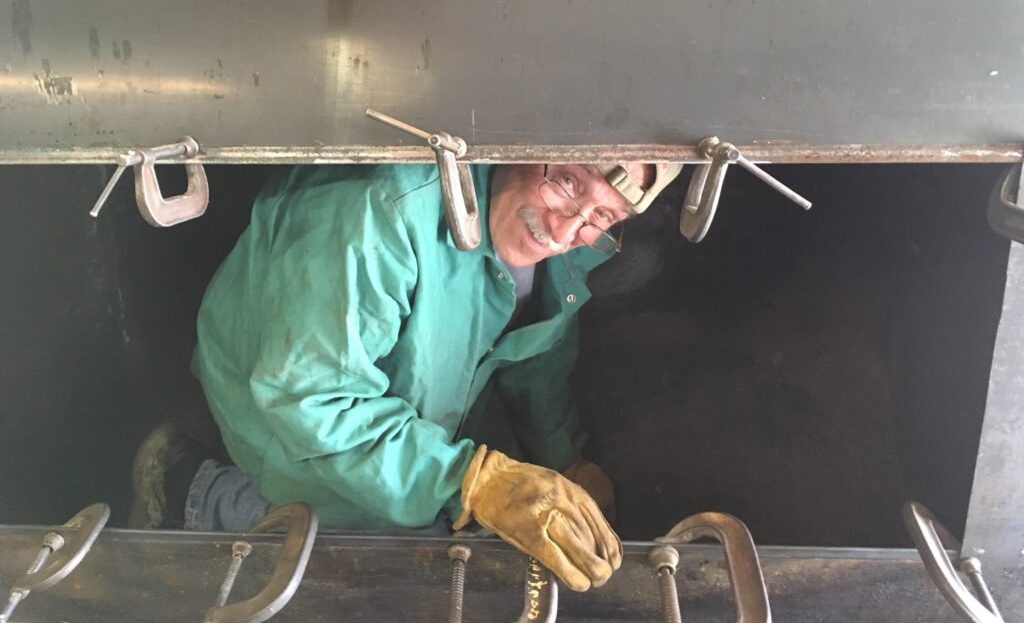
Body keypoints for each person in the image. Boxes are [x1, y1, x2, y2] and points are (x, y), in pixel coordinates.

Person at [130, 161, 681, 592]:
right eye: (566, 182)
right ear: (521, 143)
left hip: (385, 406)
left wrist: (563, 461)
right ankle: (194, 488)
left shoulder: (564, 245)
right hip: (284, 420)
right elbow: (313, 400)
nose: (567, 228)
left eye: (604, 217)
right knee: (390, 562)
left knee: (457, 524)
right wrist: (467, 482)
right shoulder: (378, 208)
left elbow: (534, 357)